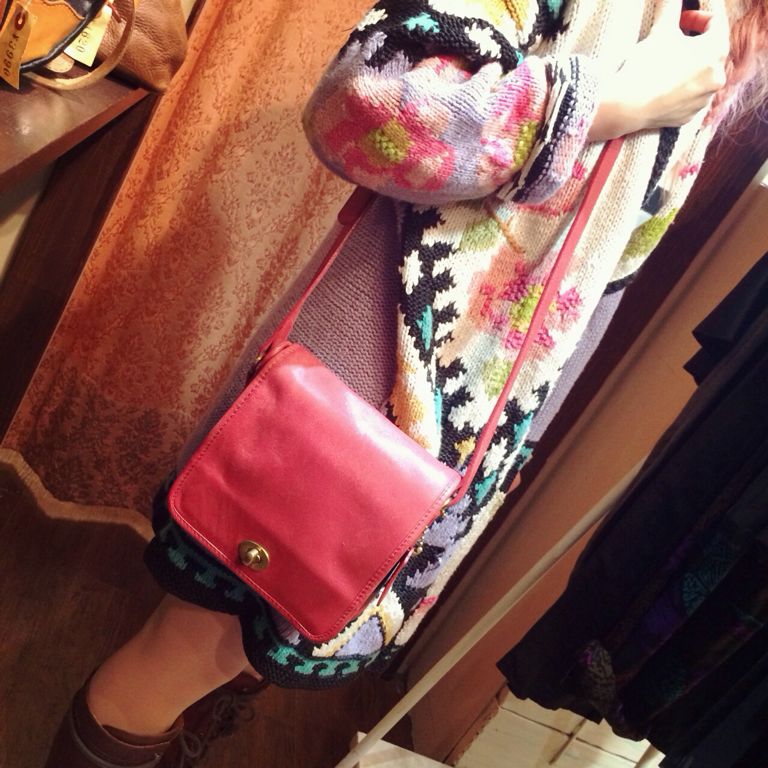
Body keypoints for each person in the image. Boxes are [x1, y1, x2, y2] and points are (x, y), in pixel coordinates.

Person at [44, 1, 767, 766]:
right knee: (187, 651)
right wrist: (609, 103)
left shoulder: (724, 28)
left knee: (251, 651)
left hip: (459, 451)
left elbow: (593, 289)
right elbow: (363, 100)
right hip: (357, 401)